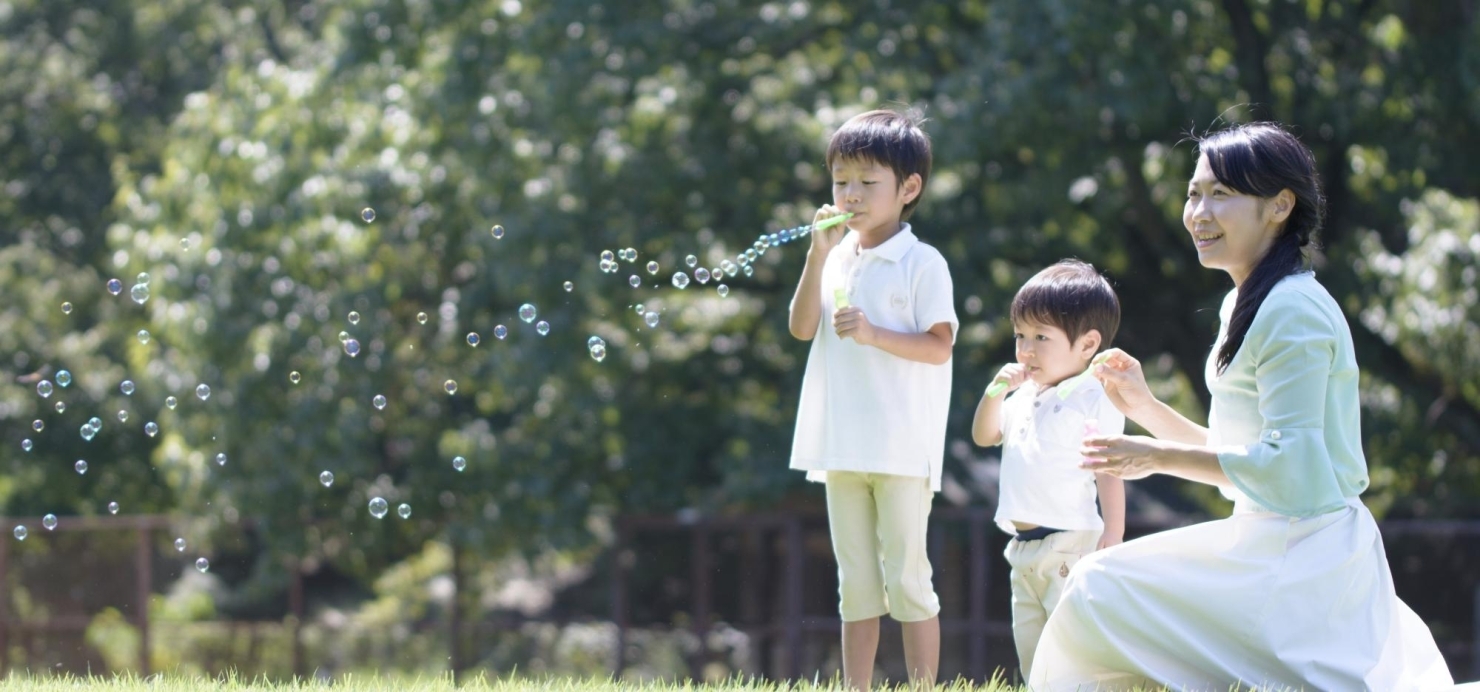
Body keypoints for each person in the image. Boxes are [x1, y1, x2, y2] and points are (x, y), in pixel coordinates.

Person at [1027, 122, 1454, 691]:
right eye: (1193, 194)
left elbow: (1287, 468)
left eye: (1221, 195)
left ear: (1280, 206)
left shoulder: (1292, 310)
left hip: (1302, 561)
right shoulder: (1247, 302)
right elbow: (1245, 458)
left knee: (1094, 588)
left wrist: (1153, 454)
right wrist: (1146, 407)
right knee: (1099, 592)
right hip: (1271, 543)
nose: (1199, 212)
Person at [788, 109, 957, 690]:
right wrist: (817, 254)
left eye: (867, 181)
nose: (850, 193)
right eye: (841, 180)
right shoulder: (835, 256)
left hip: (903, 448)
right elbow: (802, 327)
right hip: (841, 444)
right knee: (855, 581)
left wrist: (874, 333)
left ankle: (923, 686)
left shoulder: (922, 261)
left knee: (909, 579)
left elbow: (939, 347)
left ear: (908, 189)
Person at [969, 259, 1126, 682]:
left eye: (1041, 336)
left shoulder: (1093, 396)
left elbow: (1109, 468)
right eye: (1020, 335)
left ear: (1087, 343)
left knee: (1071, 651)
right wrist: (994, 393)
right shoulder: (1023, 395)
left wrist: (1112, 534)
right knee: (1032, 654)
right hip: (1022, 548)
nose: (1026, 349)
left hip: (1070, 544)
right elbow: (985, 435)